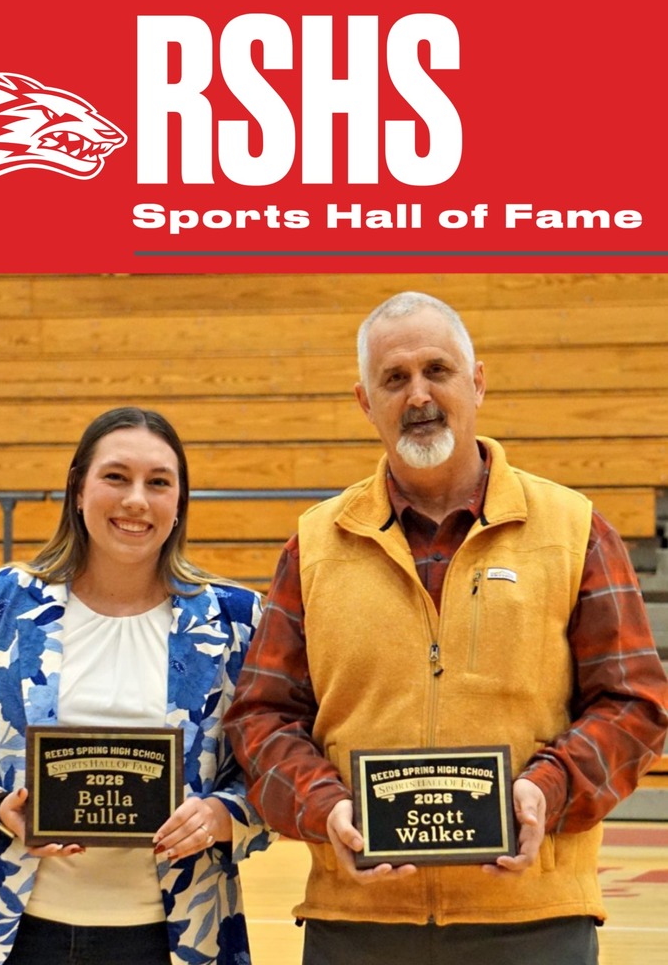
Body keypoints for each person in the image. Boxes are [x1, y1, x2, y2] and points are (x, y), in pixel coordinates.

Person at [224, 292, 668, 965]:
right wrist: (325, 810)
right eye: (393, 379)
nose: (418, 394)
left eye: (437, 370)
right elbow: (261, 718)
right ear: (363, 401)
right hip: (355, 922)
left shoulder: (573, 527)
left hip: (533, 922)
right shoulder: (314, 544)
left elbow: (636, 702)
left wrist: (544, 792)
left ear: (477, 382)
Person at [0, 406, 275, 965]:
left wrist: (225, 815)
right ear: (78, 490)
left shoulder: (236, 620)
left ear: (179, 504)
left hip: (176, 937)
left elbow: (277, 766)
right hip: (5, 933)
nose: (136, 501)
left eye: (159, 483)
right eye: (116, 477)